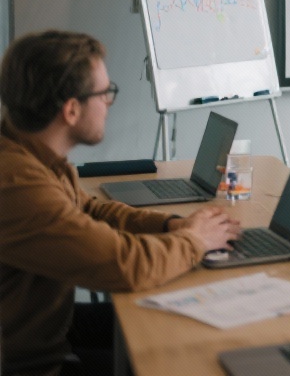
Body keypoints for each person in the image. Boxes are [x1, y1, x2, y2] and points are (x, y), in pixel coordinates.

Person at [0, 30, 240, 376]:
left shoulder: (32, 154)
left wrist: (170, 225)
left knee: (168, 321)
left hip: (48, 327)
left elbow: (89, 210)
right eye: (105, 93)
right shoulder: (18, 185)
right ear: (70, 109)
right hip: (31, 364)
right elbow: (126, 265)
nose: (109, 103)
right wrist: (196, 241)